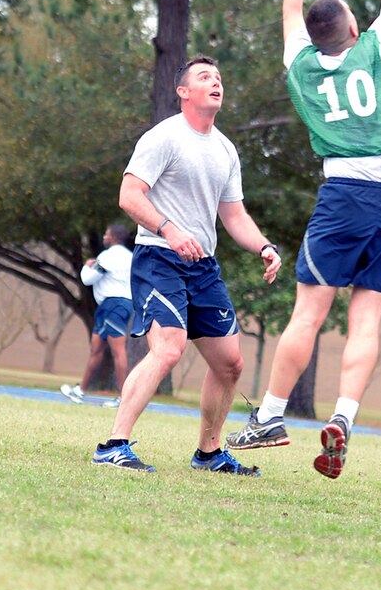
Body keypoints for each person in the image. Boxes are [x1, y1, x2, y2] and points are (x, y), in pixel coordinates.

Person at [227, 0, 381, 479]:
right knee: (367, 317)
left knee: (308, 313)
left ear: (313, 37)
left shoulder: (301, 64)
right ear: (354, 29)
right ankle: (345, 417)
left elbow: (289, 11)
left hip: (342, 197)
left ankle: (271, 416)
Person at [91, 57, 283, 474]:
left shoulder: (225, 149)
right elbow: (129, 195)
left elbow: (234, 217)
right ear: (183, 92)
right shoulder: (164, 137)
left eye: (218, 77)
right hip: (159, 258)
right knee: (169, 348)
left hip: (204, 267)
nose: (215, 82)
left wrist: (264, 246)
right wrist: (169, 230)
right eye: (204, 77)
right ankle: (113, 445)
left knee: (230, 363)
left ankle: (209, 454)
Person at [62, 223, 133, 405]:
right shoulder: (132, 258)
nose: (103, 237)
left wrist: (87, 266)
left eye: (106, 234)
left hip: (113, 305)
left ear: (114, 237)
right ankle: (80, 391)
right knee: (96, 350)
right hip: (120, 304)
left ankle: (124, 398)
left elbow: (87, 279)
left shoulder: (108, 257)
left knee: (118, 351)